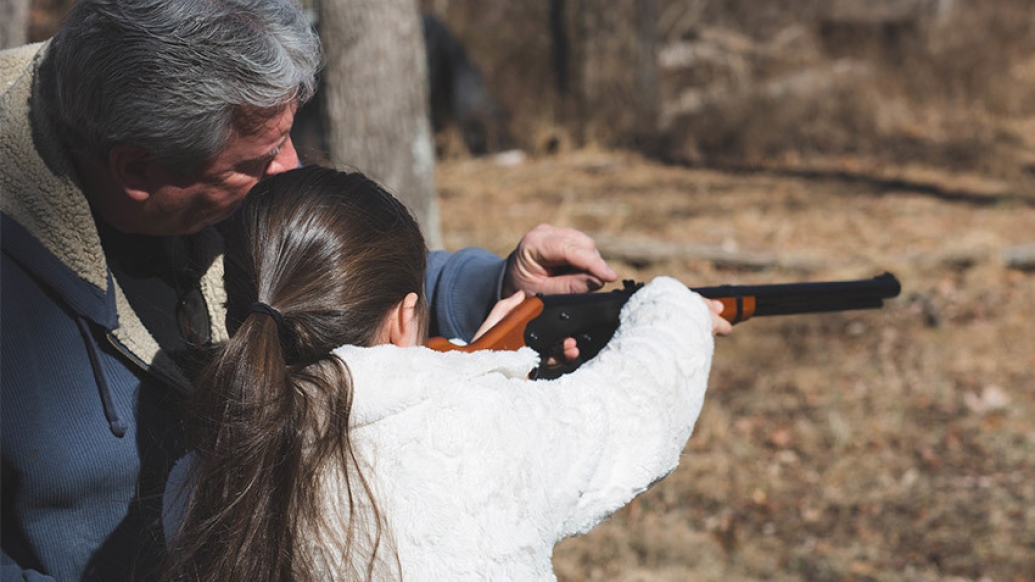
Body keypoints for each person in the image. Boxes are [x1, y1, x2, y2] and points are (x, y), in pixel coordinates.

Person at [0, 1, 616, 580]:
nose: (291, 167)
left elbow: (335, 281)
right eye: (258, 159)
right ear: (139, 169)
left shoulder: (185, 148)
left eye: (288, 137)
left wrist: (493, 287)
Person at [160, 166, 729, 581]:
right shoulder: (480, 426)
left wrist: (474, 366)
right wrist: (677, 313)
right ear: (404, 318)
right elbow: (632, 414)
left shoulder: (202, 474)